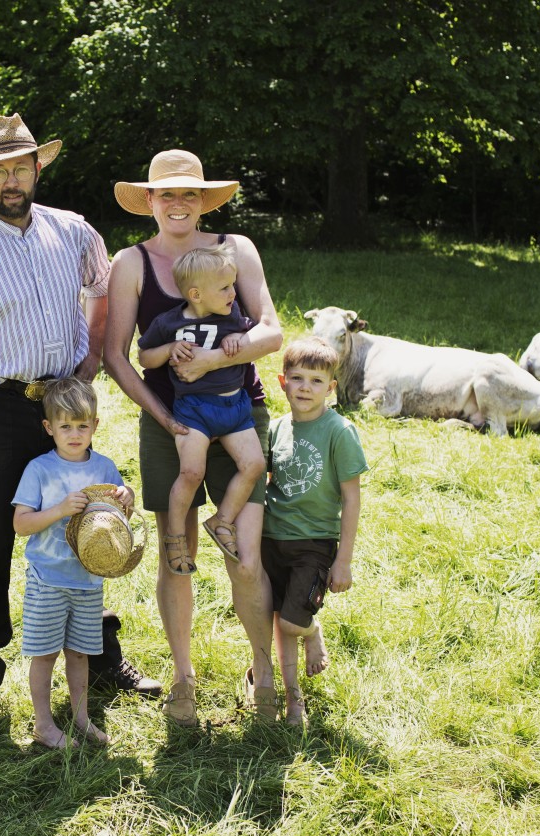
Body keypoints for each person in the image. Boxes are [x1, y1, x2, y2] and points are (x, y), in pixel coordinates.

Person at [0, 113, 160, 741]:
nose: (11, 179)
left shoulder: (73, 232)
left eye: (21, 166)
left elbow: (101, 297)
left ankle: (98, 662)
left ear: (38, 167)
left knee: (87, 530)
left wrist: (91, 362)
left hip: (64, 406)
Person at [103, 149, 283, 726]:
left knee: (247, 556)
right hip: (171, 422)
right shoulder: (131, 263)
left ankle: (263, 674)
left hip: (236, 414)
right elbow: (118, 356)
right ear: (150, 201)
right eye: (166, 194)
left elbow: (272, 332)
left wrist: (211, 360)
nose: (178, 204)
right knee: (175, 557)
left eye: (189, 194)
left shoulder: (237, 249)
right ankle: (184, 680)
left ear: (204, 200)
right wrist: (163, 417)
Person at [12, 378, 132, 748]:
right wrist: (60, 510)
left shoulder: (105, 467)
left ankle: (81, 718)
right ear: (49, 428)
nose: (75, 434)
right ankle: (44, 725)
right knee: (45, 653)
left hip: (88, 580)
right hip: (48, 578)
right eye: (65, 426)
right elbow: (20, 524)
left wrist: (126, 495)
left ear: (95, 425)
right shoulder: (39, 469)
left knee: (80, 652)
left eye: (83, 426)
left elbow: (118, 516)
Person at [136, 241, 267, 576]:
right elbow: (144, 358)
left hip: (235, 408)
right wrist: (169, 349)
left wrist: (236, 343)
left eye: (232, 286)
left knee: (254, 464)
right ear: (195, 294)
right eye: (224, 288)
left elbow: (256, 338)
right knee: (191, 473)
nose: (232, 294)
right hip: (193, 412)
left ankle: (222, 521)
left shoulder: (233, 317)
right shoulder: (170, 323)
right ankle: (176, 536)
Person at [263, 337, 367, 725]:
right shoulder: (275, 429)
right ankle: (292, 700)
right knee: (279, 621)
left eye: (316, 381)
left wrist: (344, 561)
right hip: (271, 540)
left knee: (294, 621)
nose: (305, 387)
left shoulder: (339, 431)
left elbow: (352, 499)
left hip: (315, 544)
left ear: (332, 388)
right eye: (297, 378)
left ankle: (313, 629)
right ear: (282, 382)